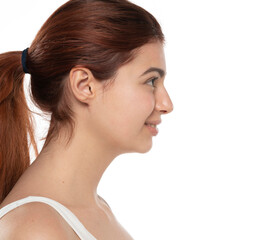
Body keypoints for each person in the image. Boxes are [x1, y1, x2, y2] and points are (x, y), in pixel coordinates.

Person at [0, 0, 173, 239]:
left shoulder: (95, 211)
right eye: (151, 81)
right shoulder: (37, 229)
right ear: (84, 85)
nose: (166, 105)